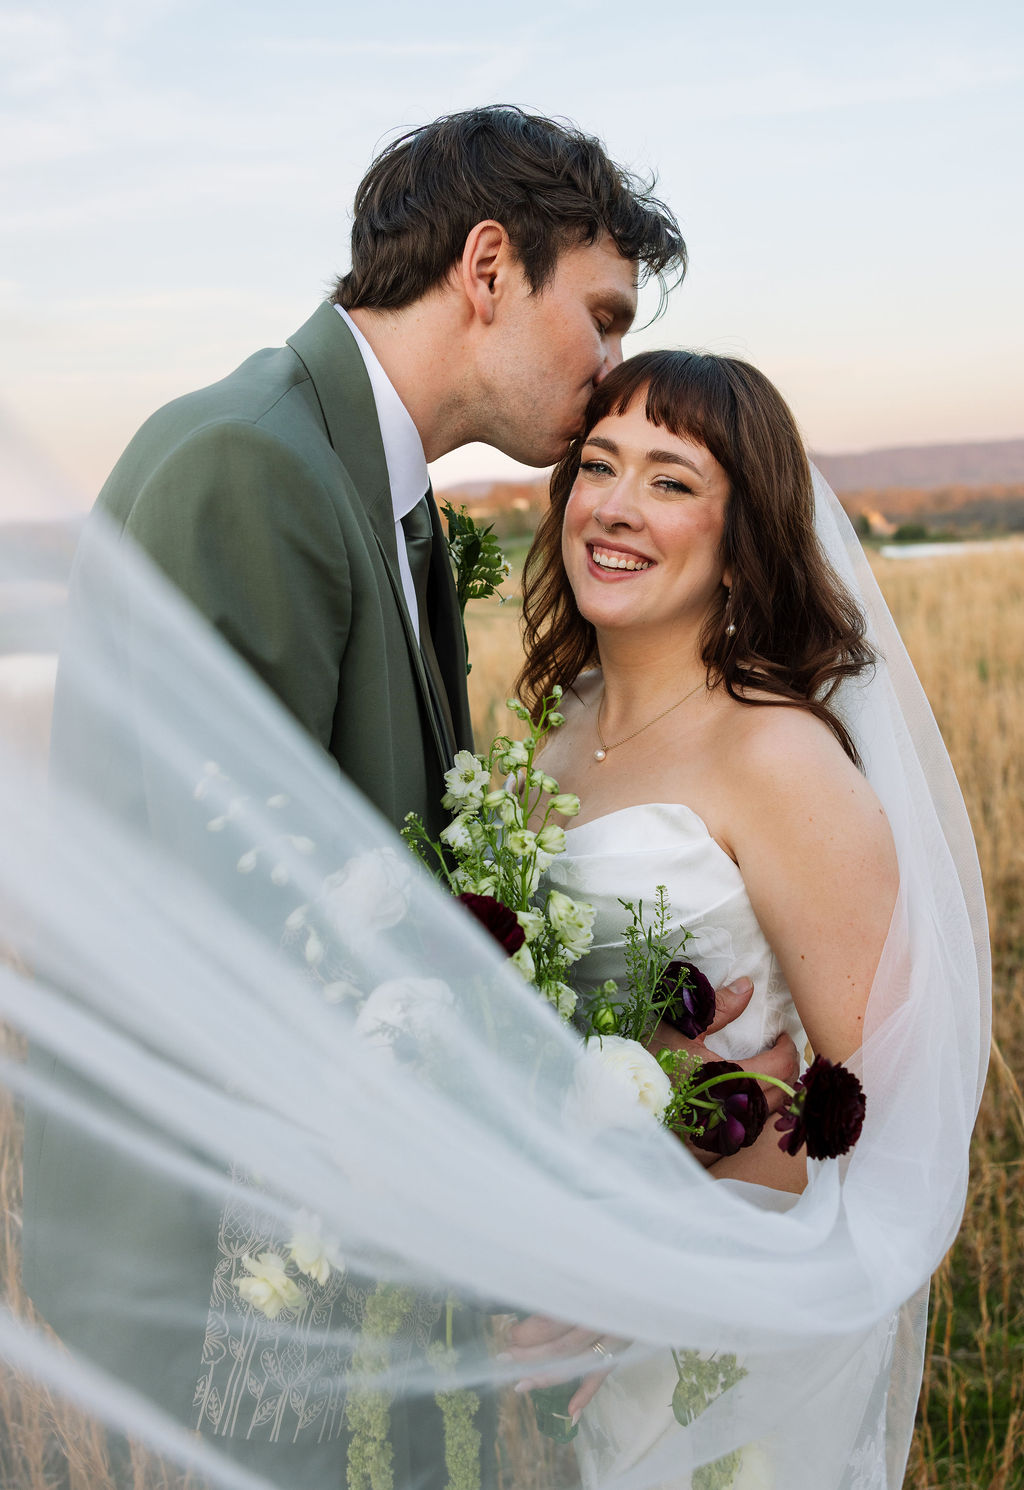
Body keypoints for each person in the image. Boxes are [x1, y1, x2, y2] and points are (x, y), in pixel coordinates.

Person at [16, 110, 787, 1490]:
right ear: (490, 266)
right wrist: (552, 1192)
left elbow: (406, 885)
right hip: (236, 1273)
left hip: (347, 1247)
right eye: (601, 315)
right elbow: (259, 929)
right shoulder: (253, 466)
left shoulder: (387, 493)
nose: (611, 366)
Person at [501, 348, 973, 1485]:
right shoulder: (554, 737)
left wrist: (653, 1272)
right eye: (598, 465)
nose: (613, 507)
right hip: (559, 1307)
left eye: (670, 480)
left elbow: (893, 1117)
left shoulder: (775, 755)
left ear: (740, 534)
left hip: (717, 1336)